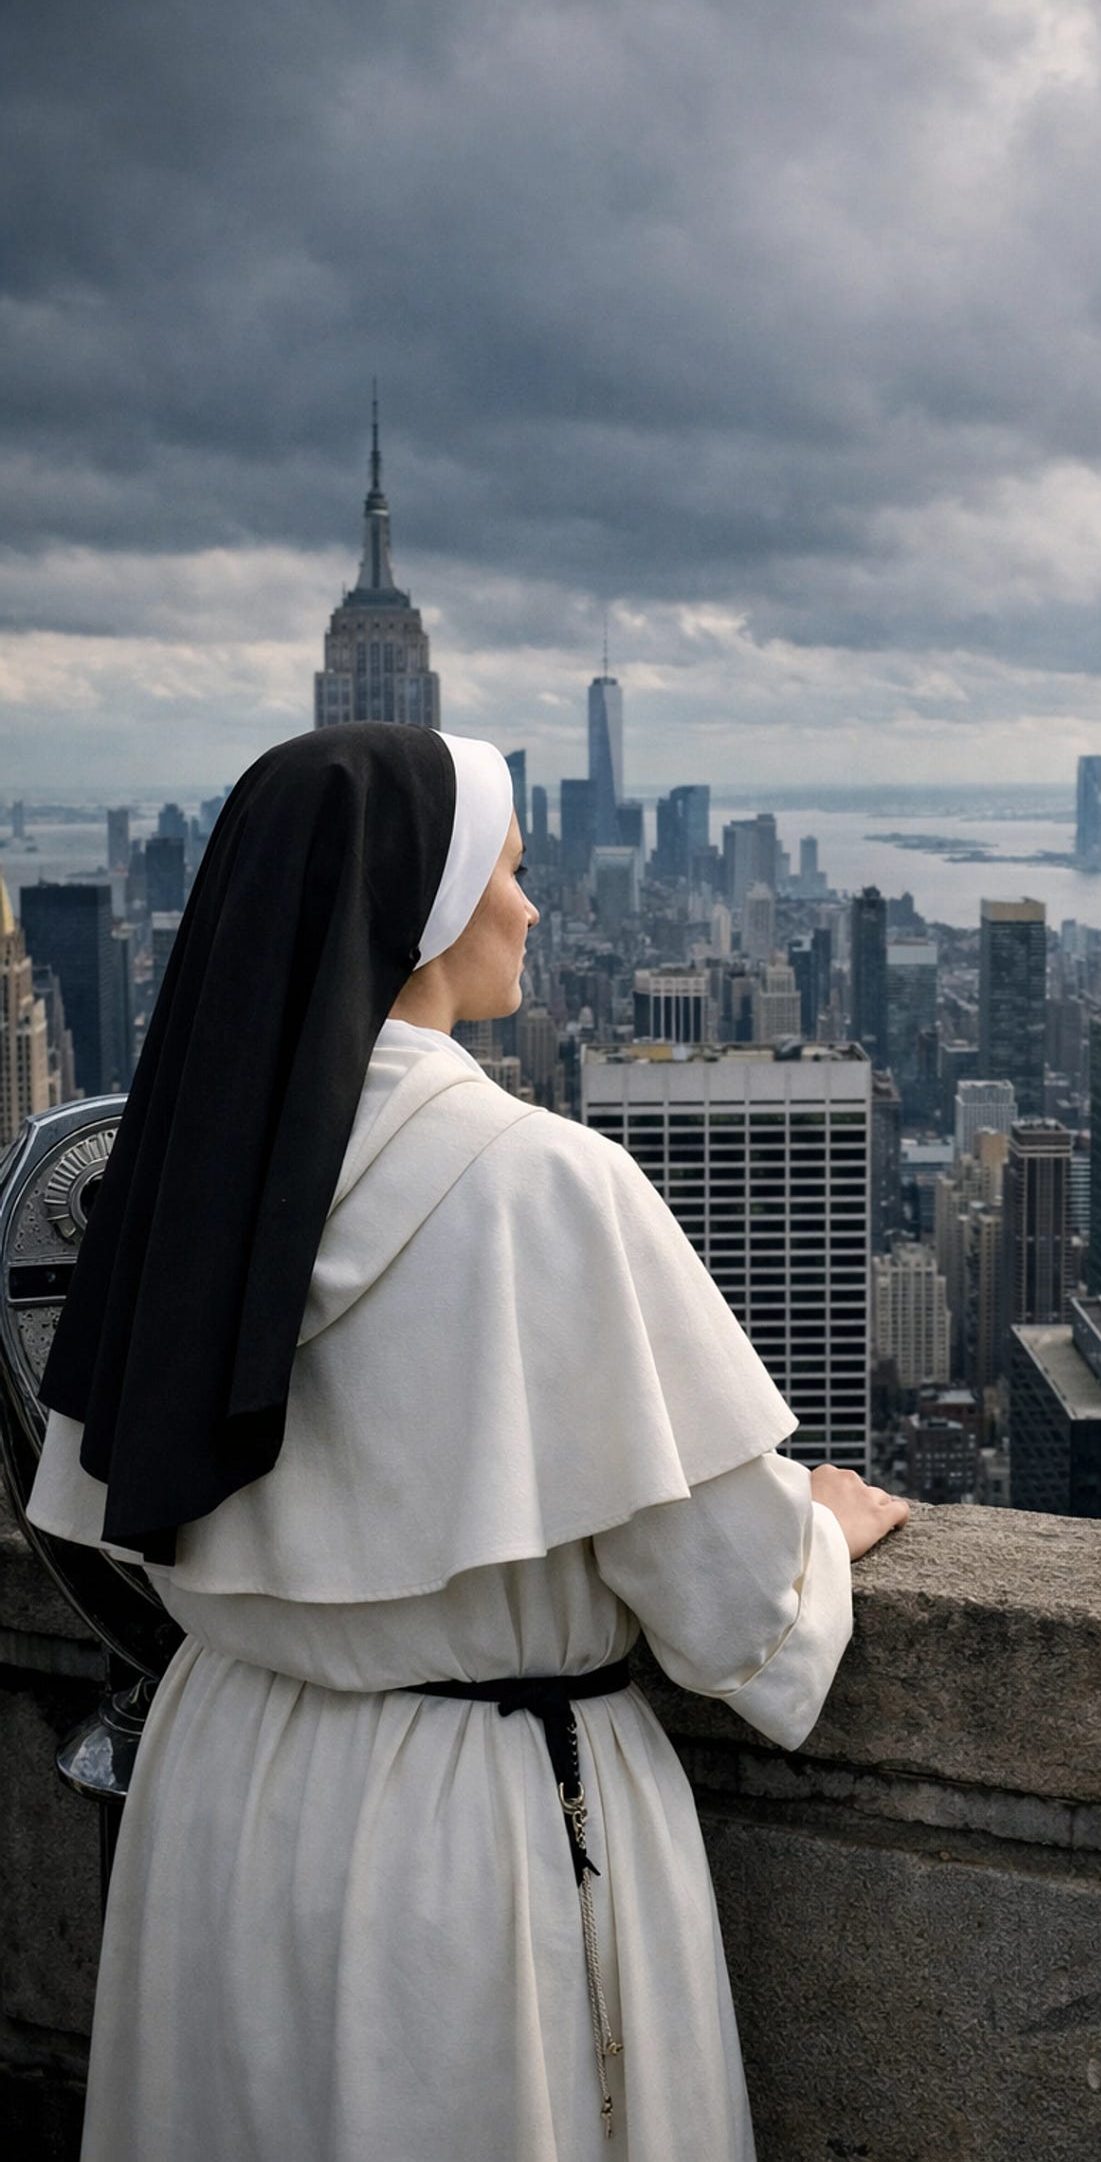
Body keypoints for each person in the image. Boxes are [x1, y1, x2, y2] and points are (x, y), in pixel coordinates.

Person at [27, 723, 908, 2162]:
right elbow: (733, 1609)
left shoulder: (182, 1173)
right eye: (511, 870)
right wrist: (818, 1531)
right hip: (476, 1838)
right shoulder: (548, 1187)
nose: (534, 908)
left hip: (220, 1796)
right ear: (425, 913)